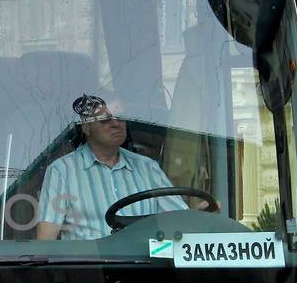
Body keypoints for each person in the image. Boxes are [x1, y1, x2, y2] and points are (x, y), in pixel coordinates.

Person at [37, 94, 187, 241]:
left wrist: (200, 214)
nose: (116, 123)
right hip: (89, 265)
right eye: (105, 120)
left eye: (121, 117)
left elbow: (181, 221)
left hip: (147, 264)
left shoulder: (148, 168)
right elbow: (46, 240)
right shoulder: (62, 170)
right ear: (86, 127)